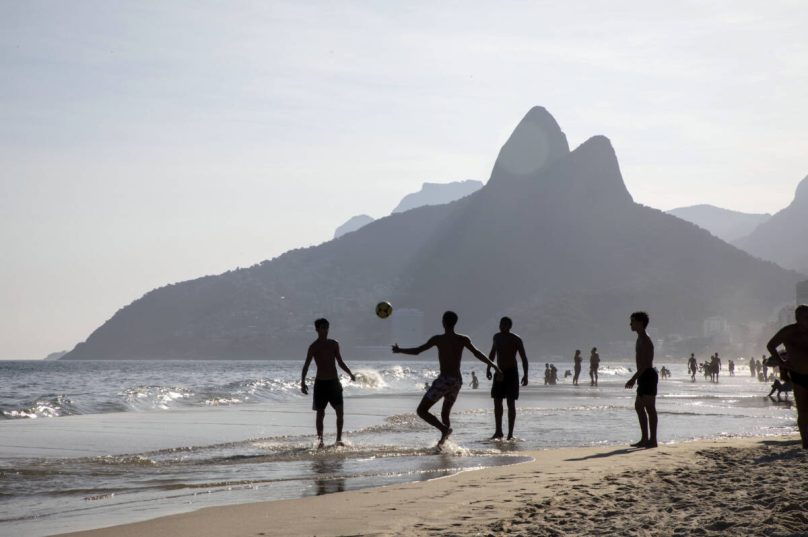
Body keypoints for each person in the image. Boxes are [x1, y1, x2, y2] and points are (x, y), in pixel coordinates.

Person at [393, 310, 502, 448]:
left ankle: (444, 430)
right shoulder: (463, 339)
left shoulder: (438, 339)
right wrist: (494, 365)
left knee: (421, 410)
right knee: (445, 413)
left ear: (443, 322)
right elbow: (477, 353)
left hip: (445, 379)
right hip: (457, 381)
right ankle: (446, 444)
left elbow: (418, 351)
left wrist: (400, 350)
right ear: (455, 323)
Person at [300, 318, 356, 449]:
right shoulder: (314, 347)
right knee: (320, 413)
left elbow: (340, 362)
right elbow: (306, 365)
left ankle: (338, 440)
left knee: (340, 412)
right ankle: (320, 441)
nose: (325, 330)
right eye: (322, 328)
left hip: (334, 383)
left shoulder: (334, 344)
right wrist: (302, 382)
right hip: (321, 384)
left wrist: (350, 373)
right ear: (317, 329)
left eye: (326, 327)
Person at [766, 305, 808, 449]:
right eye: (805, 317)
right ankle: (806, 443)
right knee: (803, 412)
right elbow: (771, 345)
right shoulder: (788, 332)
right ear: (798, 318)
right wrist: (781, 361)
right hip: (798, 375)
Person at [486, 316, 528, 440]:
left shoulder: (516, 339)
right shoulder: (496, 337)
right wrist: (489, 368)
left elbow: (524, 358)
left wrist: (526, 375)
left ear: (509, 326)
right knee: (497, 402)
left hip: (512, 373)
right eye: (500, 324)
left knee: (511, 403)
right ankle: (498, 431)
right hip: (499, 372)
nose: (501, 326)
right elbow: (493, 353)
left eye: (504, 324)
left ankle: (510, 433)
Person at [624, 311, 658, 449]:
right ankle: (645, 438)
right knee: (639, 406)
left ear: (640, 323)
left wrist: (633, 378)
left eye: (633, 321)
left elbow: (646, 364)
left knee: (649, 408)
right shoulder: (639, 339)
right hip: (643, 376)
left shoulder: (646, 340)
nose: (630, 324)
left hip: (648, 375)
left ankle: (652, 440)